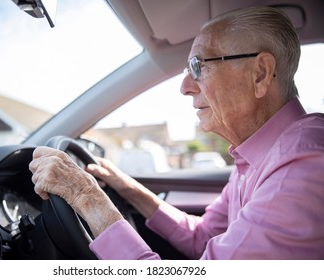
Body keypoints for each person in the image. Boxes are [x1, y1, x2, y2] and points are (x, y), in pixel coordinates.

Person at [29, 6, 324, 259]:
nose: (184, 86)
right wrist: (127, 186)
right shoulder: (260, 155)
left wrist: (86, 196)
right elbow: (203, 236)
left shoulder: (301, 169)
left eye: (198, 66)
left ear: (259, 73)